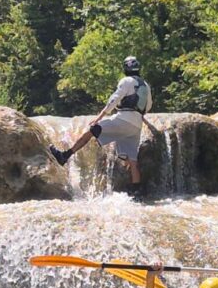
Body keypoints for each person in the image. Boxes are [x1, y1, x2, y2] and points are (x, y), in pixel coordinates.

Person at [47, 55, 156, 190]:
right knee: (133, 161)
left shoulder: (126, 81)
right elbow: (148, 106)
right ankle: (137, 191)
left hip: (123, 120)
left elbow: (113, 100)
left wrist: (99, 117)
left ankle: (65, 155)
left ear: (125, 69)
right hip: (136, 125)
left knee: (93, 130)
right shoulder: (146, 85)